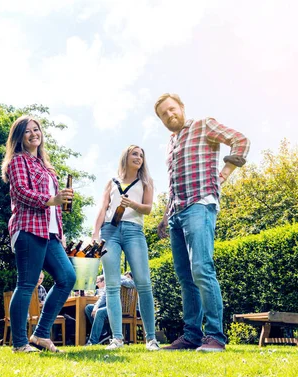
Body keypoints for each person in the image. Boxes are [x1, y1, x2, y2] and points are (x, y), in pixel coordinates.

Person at [154, 93, 250, 352]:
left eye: (172, 109)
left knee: (202, 269)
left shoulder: (203, 125)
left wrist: (224, 175)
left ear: (181, 108)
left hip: (200, 204)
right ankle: (192, 336)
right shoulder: (170, 143)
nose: (169, 115)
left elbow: (240, 140)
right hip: (176, 213)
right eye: (164, 114)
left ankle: (215, 337)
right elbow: (174, 182)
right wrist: (165, 216)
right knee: (185, 277)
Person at [1, 115, 76, 353]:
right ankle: (20, 343)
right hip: (28, 228)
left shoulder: (45, 166)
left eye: (36, 129)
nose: (34, 133)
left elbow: (56, 205)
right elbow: (22, 192)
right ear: (19, 137)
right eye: (27, 131)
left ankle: (41, 335)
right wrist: (51, 199)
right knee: (26, 284)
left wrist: (60, 229)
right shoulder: (17, 161)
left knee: (67, 277)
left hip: (50, 233)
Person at [92, 145, 160, 351]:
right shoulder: (112, 182)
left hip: (133, 231)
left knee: (144, 283)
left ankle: (151, 339)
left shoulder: (146, 182)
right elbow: (103, 208)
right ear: (126, 157)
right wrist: (95, 234)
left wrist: (132, 205)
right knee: (111, 286)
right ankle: (117, 339)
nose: (138, 158)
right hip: (109, 232)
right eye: (134, 154)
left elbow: (148, 208)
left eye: (141, 155)